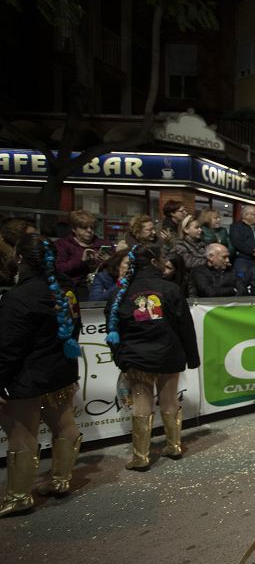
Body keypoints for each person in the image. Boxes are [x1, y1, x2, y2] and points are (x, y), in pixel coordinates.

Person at [0, 235, 84, 516]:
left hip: (28, 378)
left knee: (22, 435)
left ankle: (19, 496)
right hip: (61, 373)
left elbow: (9, 348)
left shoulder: (19, 297)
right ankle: (60, 480)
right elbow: (74, 329)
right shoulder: (66, 289)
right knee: (64, 425)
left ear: (20, 259)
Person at [104, 244, 199, 469]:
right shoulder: (170, 288)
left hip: (137, 358)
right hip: (169, 353)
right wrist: (192, 358)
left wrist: (121, 359)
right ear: (155, 262)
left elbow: (112, 327)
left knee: (141, 401)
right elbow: (185, 326)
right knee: (169, 399)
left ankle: (140, 456)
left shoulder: (121, 293)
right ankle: (174, 446)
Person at [55, 209, 112, 299]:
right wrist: (81, 260)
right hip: (75, 287)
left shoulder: (105, 244)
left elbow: (119, 266)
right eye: (84, 228)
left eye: (92, 227)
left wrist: (110, 261)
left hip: (101, 286)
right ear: (74, 229)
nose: (89, 231)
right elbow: (59, 269)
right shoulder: (62, 244)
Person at [229, 206, 255, 280]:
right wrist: (253, 252)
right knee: (241, 280)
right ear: (246, 215)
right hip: (243, 259)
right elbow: (237, 242)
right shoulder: (236, 227)